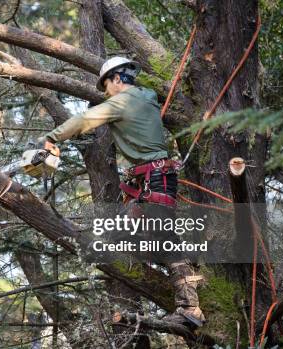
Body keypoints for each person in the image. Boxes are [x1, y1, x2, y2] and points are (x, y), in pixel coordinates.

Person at [38, 57, 206, 327]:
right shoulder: (147, 96)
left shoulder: (121, 102)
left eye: (106, 86)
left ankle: (191, 304)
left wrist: (53, 138)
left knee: (161, 239)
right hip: (154, 180)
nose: (105, 94)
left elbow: (84, 120)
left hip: (155, 180)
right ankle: (189, 270)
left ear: (117, 79)